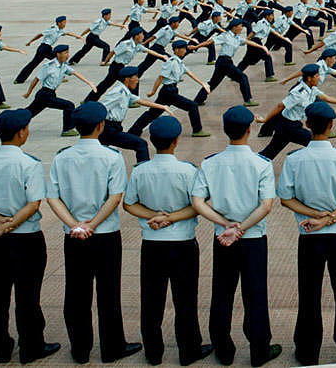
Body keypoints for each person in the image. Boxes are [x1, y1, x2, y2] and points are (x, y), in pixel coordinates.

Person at [46, 102, 142, 364]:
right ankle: (112, 348)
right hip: (105, 234)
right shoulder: (112, 156)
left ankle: (80, 350)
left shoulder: (62, 157)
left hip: (74, 236)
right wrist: (93, 224)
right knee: (109, 292)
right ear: (101, 126)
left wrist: (75, 225)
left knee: (76, 292)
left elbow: (53, 197)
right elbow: (115, 197)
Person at [0, 108, 60, 364]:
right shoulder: (29, 164)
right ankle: (31, 346)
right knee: (28, 294)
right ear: (21, 133)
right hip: (27, 238)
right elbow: (33, 204)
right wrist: (10, 224)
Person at [276, 102, 336, 367]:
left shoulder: (294, 160)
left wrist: (314, 215)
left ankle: (307, 351)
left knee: (309, 293)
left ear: (307, 125)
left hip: (309, 234)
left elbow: (286, 199)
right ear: (331, 125)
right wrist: (330, 218)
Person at [190, 106, 282, 367]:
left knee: (222, 292)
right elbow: (266, 206)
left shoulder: (210, 163)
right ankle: (259, 350)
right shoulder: (261, 164)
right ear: (249, 130)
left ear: (225, 130)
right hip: (253, 238)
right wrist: (241, 228)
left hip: (223, 237)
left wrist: (225, 224)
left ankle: (223, 349)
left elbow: (198, 201)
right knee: (255, 293)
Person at [122, 116, 213, 367]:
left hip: (152, 243)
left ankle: (153, 352)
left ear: (152, 141)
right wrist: (170, 218)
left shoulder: (140, 171)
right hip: (183, 242)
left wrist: (154, 216)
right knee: (185, 299)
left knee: (151, 300)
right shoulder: (188, 171)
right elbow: (197, 206)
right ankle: (189, 350)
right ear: (176, 141)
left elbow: (129, 204)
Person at [256, 63, 336, 160]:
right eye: (317, 76)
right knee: (316, 144)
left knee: (269, 153)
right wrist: (265, 120)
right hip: (289, 126)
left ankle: (255, 162)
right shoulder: (298, 93)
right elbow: (280, 106)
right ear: (309, 78)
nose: (319, 78)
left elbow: (326, 98)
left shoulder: (312, 89)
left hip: (290, 126)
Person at [129, 39, 211, 138]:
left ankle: (134, 130)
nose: (185, 51)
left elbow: (189, 73)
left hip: (171, 90)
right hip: (168, 91)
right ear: (176, 50)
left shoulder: (179, 62)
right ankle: (197, 130)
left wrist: (202, 84)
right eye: (183, 49)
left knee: (152, 113)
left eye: (185, 49)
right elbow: (160, 77)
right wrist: (153, 92)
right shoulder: (171, 62)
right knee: (192, 106)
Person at [97, 67, 176, 164]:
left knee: (100, 153)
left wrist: (162, 107)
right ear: (127, 79)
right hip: (108, 129)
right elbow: (101, 108)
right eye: (135, 77)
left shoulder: (125, 91)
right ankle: (143, 169)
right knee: (140, 144)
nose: (137, 80)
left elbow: (140, 101)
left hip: (114, 128)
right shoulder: (118, 93)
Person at [22, 44, 97, 136]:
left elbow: (75, 73)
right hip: (44, 94)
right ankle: (67, 130)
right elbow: (36, 79)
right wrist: (28, 93)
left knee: (29, 112)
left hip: (50, 94)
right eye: (65, 53)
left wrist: (89, 83)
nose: (68, 55)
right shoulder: (48, 66)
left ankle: (13, 122)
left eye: (68, 53)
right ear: (58, 54)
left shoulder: (64, 66)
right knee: (69, 105)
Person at [15, 16, 83, 85]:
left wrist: (79, 36)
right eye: (64, 23)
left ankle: (19, 80)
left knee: (33, 64)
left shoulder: (59, 30)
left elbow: (68, 33)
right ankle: (59, 77)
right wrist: (30, 42)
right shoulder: (52, 29)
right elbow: (40, 34)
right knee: (58, 61)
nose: (65, 24)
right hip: (44, 48)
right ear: (59, 23)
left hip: (46, 48)